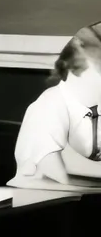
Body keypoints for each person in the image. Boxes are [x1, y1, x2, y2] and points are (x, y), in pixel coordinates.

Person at [12, 22, 101, 187]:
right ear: (71, 71)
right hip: (44, 200)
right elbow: (55, 172)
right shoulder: (49, 105)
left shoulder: (94, 104)